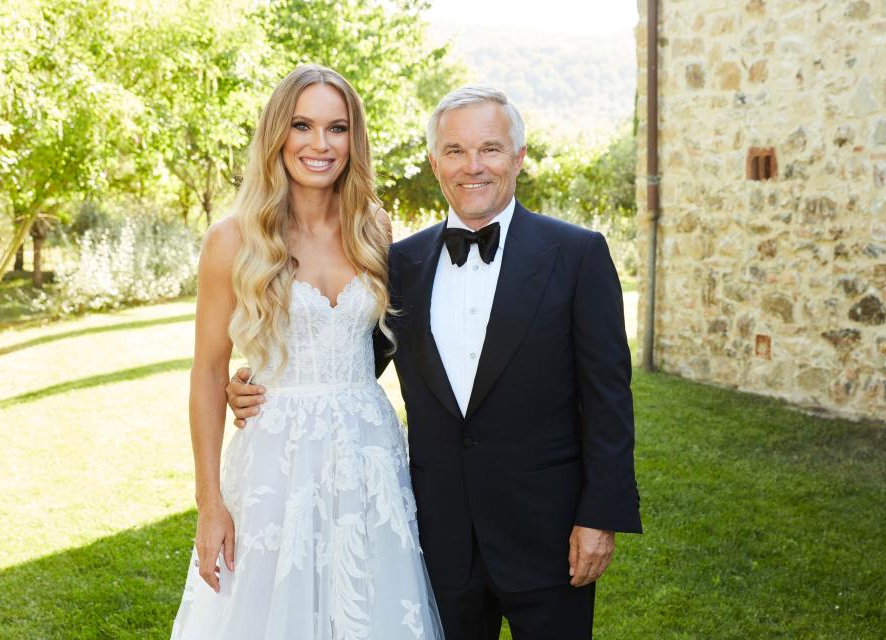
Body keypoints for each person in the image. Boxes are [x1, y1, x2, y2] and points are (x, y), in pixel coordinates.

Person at [228, 86, 641, 640]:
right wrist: (261, 384)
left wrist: (600, 517)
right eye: (455, 151)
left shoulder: (577, 254)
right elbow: (348, 354)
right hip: (434, 537)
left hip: (547, 535)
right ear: (434, 162)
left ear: (518, 157)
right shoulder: (399, 261)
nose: (473, 167)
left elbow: (609, 398)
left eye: (490, 149)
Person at [171, 65, 444, 640]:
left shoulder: (374, 228)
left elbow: (377, 344)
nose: (320, 145)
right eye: (302, 125)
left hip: (368, 454)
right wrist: (209, 504)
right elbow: (206, 373)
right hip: (277, 459)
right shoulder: (233, 239)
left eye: (336, 128)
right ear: (278, 134)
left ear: (354, 138)